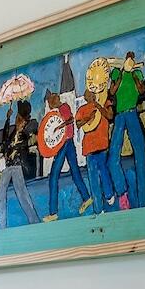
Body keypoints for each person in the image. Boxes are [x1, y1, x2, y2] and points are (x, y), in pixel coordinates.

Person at [35, 88, 92, 220]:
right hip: (69, 142)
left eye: (50, 102)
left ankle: (53, 212)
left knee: (54, 176)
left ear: (54, 101)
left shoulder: (63, 108)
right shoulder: (60, 109)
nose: (49, 106)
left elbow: (70, 120)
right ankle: (87, 197)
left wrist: (60, 127)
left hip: (65, 143)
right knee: (75, 172)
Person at [109, 51, 145, 208]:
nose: (130, 58)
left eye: (132, 57)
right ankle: (121, 191)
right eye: (128, 57)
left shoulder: (137, 72)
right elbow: (112, 91)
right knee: (113, 156)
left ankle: (144, 196)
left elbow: (141, 90)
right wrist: (122, 72)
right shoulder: (117, 71)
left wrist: (133, 74)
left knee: (140, 153)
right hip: (119, 115)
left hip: (132, 112)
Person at [0, 97, 39, 227]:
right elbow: (5, 140)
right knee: (1, 192)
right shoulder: (13, 132)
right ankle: (2, 223)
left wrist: (13, 150)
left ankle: (34, 220)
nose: (18, 121)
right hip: (9, 166)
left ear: (24, 122)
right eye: (17, 119)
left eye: (20, 120)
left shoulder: (24, 134)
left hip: (17, 166)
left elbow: (21, 146)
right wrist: (7, 119)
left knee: (22, 194)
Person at [75, 79, 117, 212]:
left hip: (102, 146)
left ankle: (109, 195)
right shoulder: (82, 109)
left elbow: (110, 115)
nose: (90, 96)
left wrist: (98, 107)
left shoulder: (104, 103)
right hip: (89, 149)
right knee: (93, 179)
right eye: (87, 94)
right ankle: (98, 209)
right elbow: (78, 124)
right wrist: (89, 118)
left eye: (91, 94)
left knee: (104, 172)